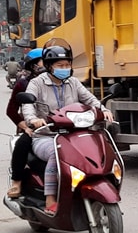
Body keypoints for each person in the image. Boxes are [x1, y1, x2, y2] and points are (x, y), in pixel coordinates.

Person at [20, 45, 107, 214]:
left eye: (67, 65)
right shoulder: (36, 83)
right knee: (57, 153)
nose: (65, 69)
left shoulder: (73, 82)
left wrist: (103, 110)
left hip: (73, 134)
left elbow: (90, 99)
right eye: (60, 66)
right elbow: (28, 105)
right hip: (46, 136)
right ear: (49, 66)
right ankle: (50, 197)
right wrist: (33, 119)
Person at [5, 49, 45, 198]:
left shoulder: (64, 82)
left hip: (60, 125)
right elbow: (11, 110)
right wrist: (26, 127)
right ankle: (16, 181)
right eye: (44, 61)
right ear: (33, 65)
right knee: (22, 144)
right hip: (34, 127)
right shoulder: (24, 84)